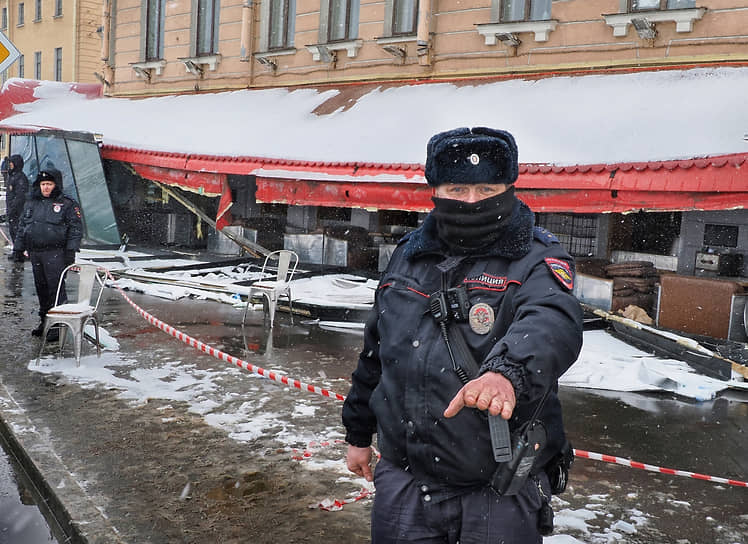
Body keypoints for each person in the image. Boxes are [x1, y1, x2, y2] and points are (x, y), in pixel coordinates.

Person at [342, 127, 584, 543]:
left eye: (486, 187)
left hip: (498, 489)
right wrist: (358, 434)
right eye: (457, 188)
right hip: (406, 482)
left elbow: (552, 321)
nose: (472, 201)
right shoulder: (408, 254)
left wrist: (506, 373)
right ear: (435, 189)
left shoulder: (538, 256)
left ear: (509, 186)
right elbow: (378, 353)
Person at [14, 167, 82, 340]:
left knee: (56, 289)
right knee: (41, 288)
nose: (45, 187)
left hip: (55, 253)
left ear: (56, 185)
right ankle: (45, 321)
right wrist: (18, 248)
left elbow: (75, 229)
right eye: (43, 184)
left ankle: (58, 326)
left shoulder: (66, 204)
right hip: (36, 253)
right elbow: (23, 226)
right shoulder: (31, 202)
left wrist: (70, 252)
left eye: (49, 184)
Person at [5, 154, 30, 263]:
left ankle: (19, 253)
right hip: (12, 210)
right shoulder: (12, 176)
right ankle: (16, 251)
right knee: (12, 231)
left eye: (12, 163)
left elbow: (20, 196)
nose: (10, 165)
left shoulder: (20, 177)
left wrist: (13, 208)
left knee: (18, 231)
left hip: (18, 211)